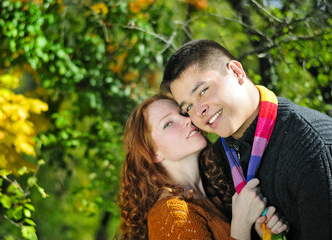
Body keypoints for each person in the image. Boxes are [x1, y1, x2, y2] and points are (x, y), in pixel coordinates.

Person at [160, 39, 332, 240]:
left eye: (203, 91)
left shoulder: (312, 149)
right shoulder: (216, 162)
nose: (199, 111)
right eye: (188, 107)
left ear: (236, 72)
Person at [115, 94, 288, 240]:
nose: (187, 120)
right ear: (153, 154)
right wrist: (241, 224)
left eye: (183, 113)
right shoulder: (170, 215)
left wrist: (261, 233)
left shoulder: (214, 195)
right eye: (168, 124)